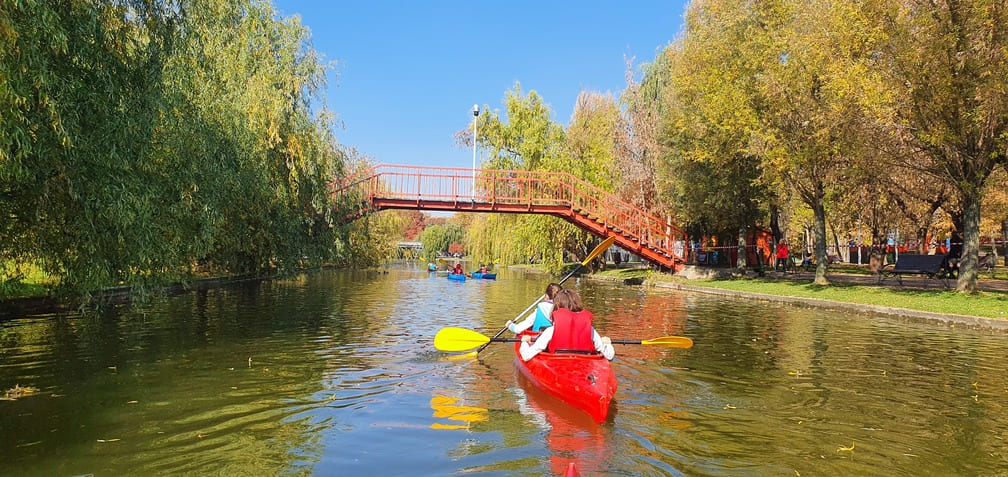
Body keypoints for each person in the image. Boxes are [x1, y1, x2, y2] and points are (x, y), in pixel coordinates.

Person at [518, 289, 615, 362]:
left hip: (557, 367)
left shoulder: (551, 331)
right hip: (584, 367)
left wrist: (525, 342)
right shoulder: (590, 330)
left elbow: (526, 356)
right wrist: (607, 344)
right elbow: (609, 356)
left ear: (556, 306)